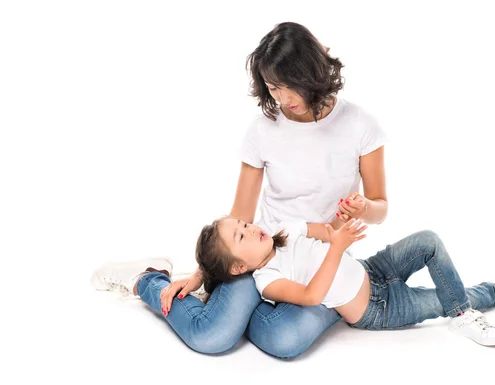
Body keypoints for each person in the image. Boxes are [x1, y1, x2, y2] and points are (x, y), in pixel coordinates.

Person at [91, 21, 388, 358]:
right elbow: (242, 214)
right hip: (263, 256)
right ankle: (147, 278)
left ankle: (232, 307)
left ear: (313, 74)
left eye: (290, 86)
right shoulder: (263, 131)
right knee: (212, 337)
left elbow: (380, 207)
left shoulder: (361, 125)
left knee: (283, 339)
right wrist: (203, 275)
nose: (283, 98)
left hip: (321, 258)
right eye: (273, 88)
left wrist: (364, 207)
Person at [194, 216, 495, 346]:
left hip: (374, 269)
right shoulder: (267, 280)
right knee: (441, 300)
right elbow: (313, 295)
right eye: (241, 237)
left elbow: (329, 233)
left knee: (429, 240)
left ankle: (462, 309)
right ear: (239, 268)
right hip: (378, 309)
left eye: (243, 224)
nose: (251, 228)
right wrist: (337, 248)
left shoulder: (285, 229)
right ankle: (490, 296)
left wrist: (341, 224)